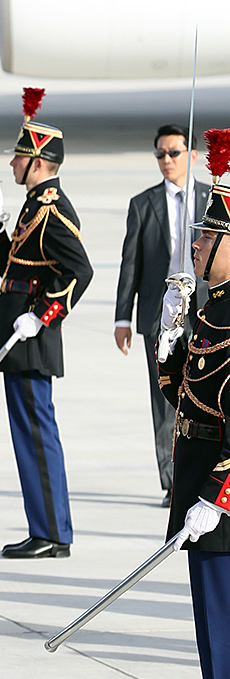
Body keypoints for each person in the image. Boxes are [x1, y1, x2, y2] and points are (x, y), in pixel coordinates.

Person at [0, 88, 92, 559]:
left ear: (39, 163)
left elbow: (79, 271)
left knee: (37, 434)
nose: (12, 165)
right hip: (19, 336)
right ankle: (44, 527)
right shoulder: (31, 206)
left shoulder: (53, 209)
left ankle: (52, 534)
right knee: (26, 434)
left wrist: (44, 316)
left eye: (20, 158)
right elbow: (18, 268)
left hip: (32, 338)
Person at [159, 129, 230, 679]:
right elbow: (183, 395)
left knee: (226, 642)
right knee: (214, 646)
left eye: (208, 239)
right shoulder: (214, 314)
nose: (198, 245)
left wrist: (217, 495)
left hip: (223, 514)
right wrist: (171, 342)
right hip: (202, 507)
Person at [117, 123, 210, 508]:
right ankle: (172, 481)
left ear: (191, 155)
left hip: (205, 308)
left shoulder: (212, 197)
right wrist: (123, 317)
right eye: (160, 154)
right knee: (165, 397)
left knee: (203, 394)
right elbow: (130, 264)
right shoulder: (143, 204)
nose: (166, 160)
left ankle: (205, 474)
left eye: (173, 153)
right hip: (161, 314)